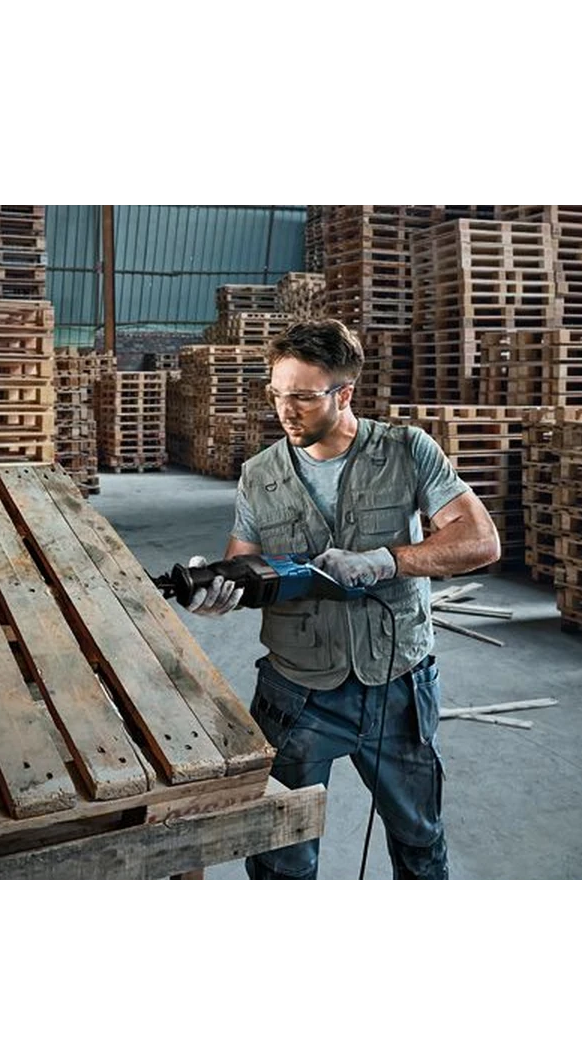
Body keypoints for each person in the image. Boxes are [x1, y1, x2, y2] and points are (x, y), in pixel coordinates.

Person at [185, 318, 500, 885]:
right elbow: (244, 565)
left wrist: (388, 560)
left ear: (344, 393)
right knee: (280, 857)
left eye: (304, 398)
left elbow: (480, 540)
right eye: (278, 394)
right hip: (296, 692)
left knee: (420, 844)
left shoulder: (406, 451)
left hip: (397, 687)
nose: (286, 411)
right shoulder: (259, 475)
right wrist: (219, 592)